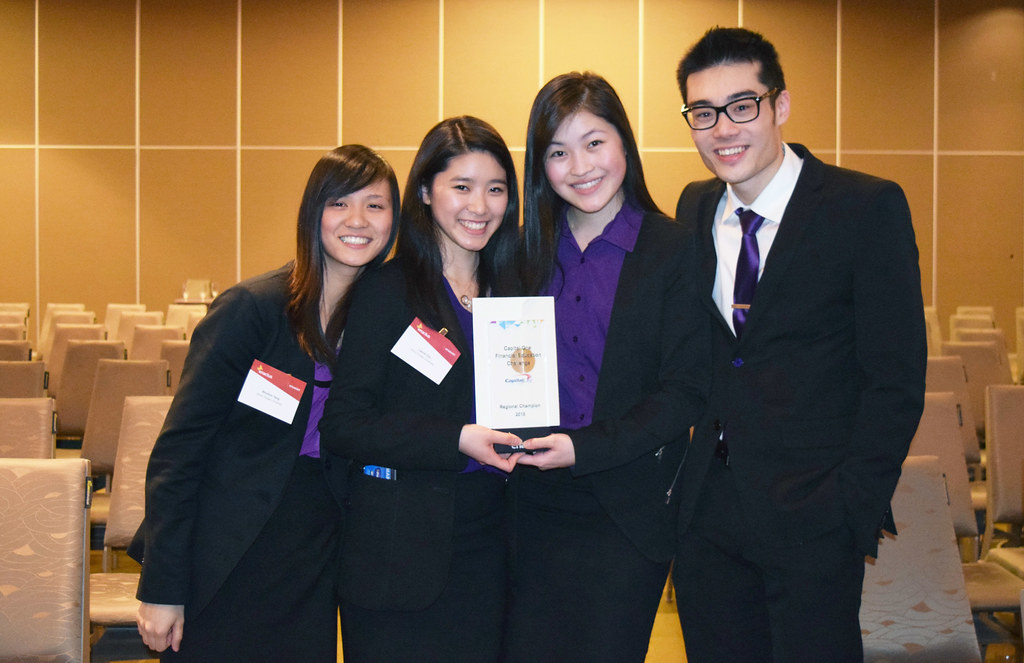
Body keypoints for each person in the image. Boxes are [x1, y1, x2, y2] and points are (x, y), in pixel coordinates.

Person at [671, 27, 927, 662]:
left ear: (780, 106)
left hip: (816, 517)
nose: (723, 128)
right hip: (710, 517)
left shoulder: (864, 207)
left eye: (742, 105)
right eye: (703, 113)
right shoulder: (694, 207)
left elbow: (895, 378)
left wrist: (850, 509)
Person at [133, 145, 400, 661]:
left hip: (316, 549)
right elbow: (179, 451)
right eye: (340, 203)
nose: (358, 221)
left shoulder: (380, 318)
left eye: (376, 205)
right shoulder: (253, 308)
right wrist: (162, 586)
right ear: (312, 212)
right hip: (228, 542)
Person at [505, 71, 709, 663]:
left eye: (595, 142)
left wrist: (584, 448)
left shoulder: (674, 250)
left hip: (627, 512)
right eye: (558, 152)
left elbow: (685, 391)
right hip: (528, 506)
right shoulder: (522, 254)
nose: (579, 166)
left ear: (624, 143)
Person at [318, 116, 520, 663]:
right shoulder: (387, 290)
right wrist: (455, 438)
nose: (480, 206)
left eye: (496, 189)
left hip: (494, 544)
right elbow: (344, 423)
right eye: (462, 187)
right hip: (398, 554)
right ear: (427, 192)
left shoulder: (518, 293)